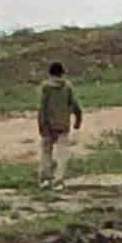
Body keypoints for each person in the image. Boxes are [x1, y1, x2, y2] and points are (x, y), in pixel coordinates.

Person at [37, 60, 82, 189]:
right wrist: (78, 120)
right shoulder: (67, 86)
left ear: (50, 73)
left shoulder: (45, 87)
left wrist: (41, 125)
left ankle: (45, 180)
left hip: (47, 125)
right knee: (62, 154)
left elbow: (42, 107)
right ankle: (58, 181)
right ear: (62, 73)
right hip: (63, 124)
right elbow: (74, 105)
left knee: (46, 153)